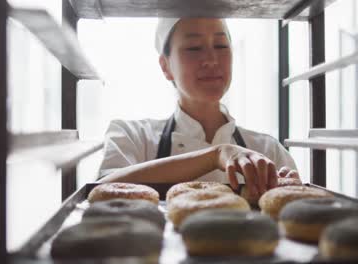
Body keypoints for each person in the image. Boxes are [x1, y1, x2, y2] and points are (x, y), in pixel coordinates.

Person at [97, 18, 298, 198]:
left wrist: (290, 192)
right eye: (194, 48)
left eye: (221, 46)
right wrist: (216, 155)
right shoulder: (133, 137)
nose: (211, 60)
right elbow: (101, 190)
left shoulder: (266, 150)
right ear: (165, 66)